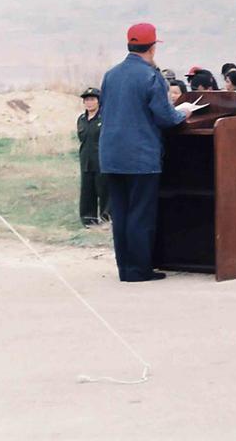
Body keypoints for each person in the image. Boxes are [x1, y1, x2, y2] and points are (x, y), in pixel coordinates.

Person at [99, 23, 191, 281]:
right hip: (141, 156)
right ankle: (139, 270)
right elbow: (166, 118)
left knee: (121, 213)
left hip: (111, 155)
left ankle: (125, 268)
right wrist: (184, 112)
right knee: (140, 213)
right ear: (152, 47)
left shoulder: (110, 75)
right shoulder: (152, 77)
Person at [76, 87, 109, 226]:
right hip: (86, 159)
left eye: (92, 99)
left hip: (101, 160)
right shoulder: (82, 119)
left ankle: (106, 219)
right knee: (87, 191)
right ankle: (88, 220)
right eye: (86, 100)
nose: (89, 103)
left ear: (98, 101)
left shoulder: (105, 117)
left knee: (104, 191)